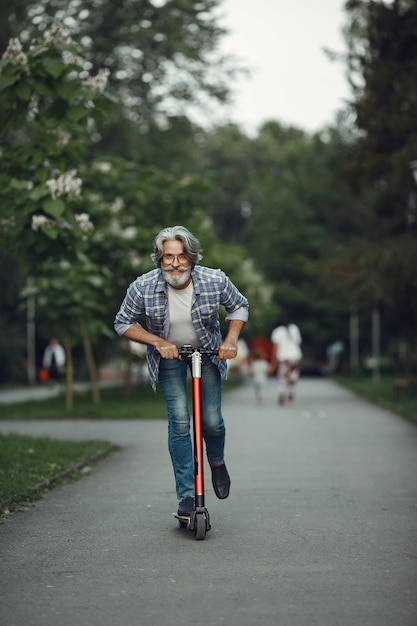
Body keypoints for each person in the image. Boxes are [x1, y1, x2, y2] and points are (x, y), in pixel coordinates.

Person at [114, 226, 249, 517]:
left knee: (211, 421)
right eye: (168, 257)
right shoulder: (143, 286)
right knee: (179, 422)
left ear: (192, 257)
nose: (175, 264)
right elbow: (123, 322)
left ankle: (216, 461)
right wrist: (158, 342)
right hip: (168, 357)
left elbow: (239, 307)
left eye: (181, 256)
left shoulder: (214, 279)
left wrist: (230, 340)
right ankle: (187, 496)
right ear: (159, 259)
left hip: (208, 353)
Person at [269, 318, 302, 405]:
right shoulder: (294, 328)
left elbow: (275, 349)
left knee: (282, 377)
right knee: (292, 379)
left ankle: (282, 391)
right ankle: (290, 397)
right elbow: (298, 343)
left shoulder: (277, 331)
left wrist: (273, 364)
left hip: (283, 358)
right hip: (295, 357)